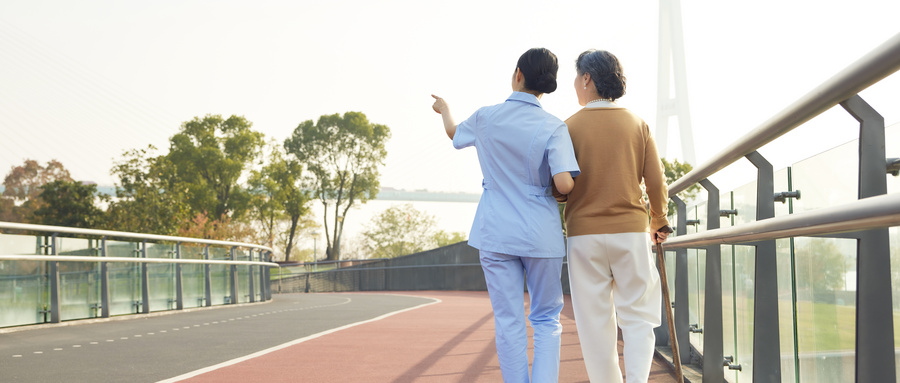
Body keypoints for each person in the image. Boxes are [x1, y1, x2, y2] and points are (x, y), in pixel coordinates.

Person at [431, 47, 580, 383]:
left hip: (496, 232)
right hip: (540, 234)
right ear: (547, 85)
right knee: (546, 319)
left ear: (517, 75)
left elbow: (454, 133)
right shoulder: (554, 127)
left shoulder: (486, 117)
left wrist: (445, 109)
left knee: (508, 319)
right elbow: (564, 184)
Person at [555, 49, 671, 383]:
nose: (575, 84)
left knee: (594, 324)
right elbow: (656, 181)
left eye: (576, 78)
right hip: (630, 233)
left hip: (583, 237)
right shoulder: (637, 124)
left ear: (587, 78)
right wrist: (658, 219)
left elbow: (559, 186)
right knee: (638, 318)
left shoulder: (567, 128)